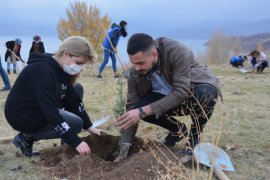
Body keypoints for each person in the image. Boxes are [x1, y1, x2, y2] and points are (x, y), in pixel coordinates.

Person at [115, 33, 222, 161]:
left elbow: (181, 92)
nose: (136, 68)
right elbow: (132, 106)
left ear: (154, 54)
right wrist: (125, 148)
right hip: (164, 99)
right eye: (133, 63)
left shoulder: (176, 51)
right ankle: (177, 130)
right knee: (137, 108)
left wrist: (142, 111)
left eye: (141, 63)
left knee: (206, 94)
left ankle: (194, 138)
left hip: (190, 93)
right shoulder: (134, 72)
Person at [5, 36, 102, 157]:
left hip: (39, 108)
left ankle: (65, 139)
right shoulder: (42, 71)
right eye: (78, 63)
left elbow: (73, 101)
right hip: (22, 115)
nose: (80, 68)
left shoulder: (59, 67)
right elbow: (51, 113)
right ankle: (26, 137)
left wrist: (90, 127)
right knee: (76, 123)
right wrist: (75, 141)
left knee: (77, 88)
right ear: (66, 54)